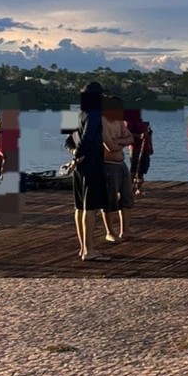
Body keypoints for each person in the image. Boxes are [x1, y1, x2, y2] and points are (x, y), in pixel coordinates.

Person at [72, 82, 110, 261]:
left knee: (79, 207)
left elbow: (69, 141)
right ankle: (89, 250)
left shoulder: (79, 114)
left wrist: (75, 156)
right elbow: (86, 138)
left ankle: (83, 248)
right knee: (90, 207)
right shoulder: (94, 114)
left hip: (80, 166)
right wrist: (80, 154)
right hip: (92, 164)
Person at [100, 96, 135, 242]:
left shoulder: (119, 122)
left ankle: (125, 230)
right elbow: (110, 147)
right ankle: (110, 232)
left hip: (121, 164)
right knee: (109, 199)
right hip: (108, 165)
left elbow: (131, 138)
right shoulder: (102, 121)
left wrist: (118, 141)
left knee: (127, 197)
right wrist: (120, 143)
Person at [125, 109, 153, 197]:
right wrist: (138, 136)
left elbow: (149, 133)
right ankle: (129, 189)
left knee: (143, 169)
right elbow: (126, 132)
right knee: (134, 169)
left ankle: (139, 189)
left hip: (145, 146)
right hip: (135, 147)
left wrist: (151, 146)